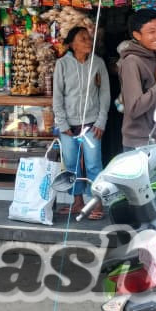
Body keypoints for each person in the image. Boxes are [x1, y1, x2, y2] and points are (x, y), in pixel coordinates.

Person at [52, 25, 110, 220]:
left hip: (92, 124)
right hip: (68, 125)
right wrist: (63, 124)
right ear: (71, 44)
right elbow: (57, 96)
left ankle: (97, 202)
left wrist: (101, 121)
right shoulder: (62, 64)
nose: (88, 42)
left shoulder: (98, 63)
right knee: (71, 165)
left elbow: (104, 94)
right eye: (82, 39)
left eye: (88, 38)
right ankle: (77, 202)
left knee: (94, 164)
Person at [118, 8, 156, 150]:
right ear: (137, 35)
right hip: (140, 142)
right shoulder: (132, 62)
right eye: (151, 32)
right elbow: (135, 108)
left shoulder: (152, 56)